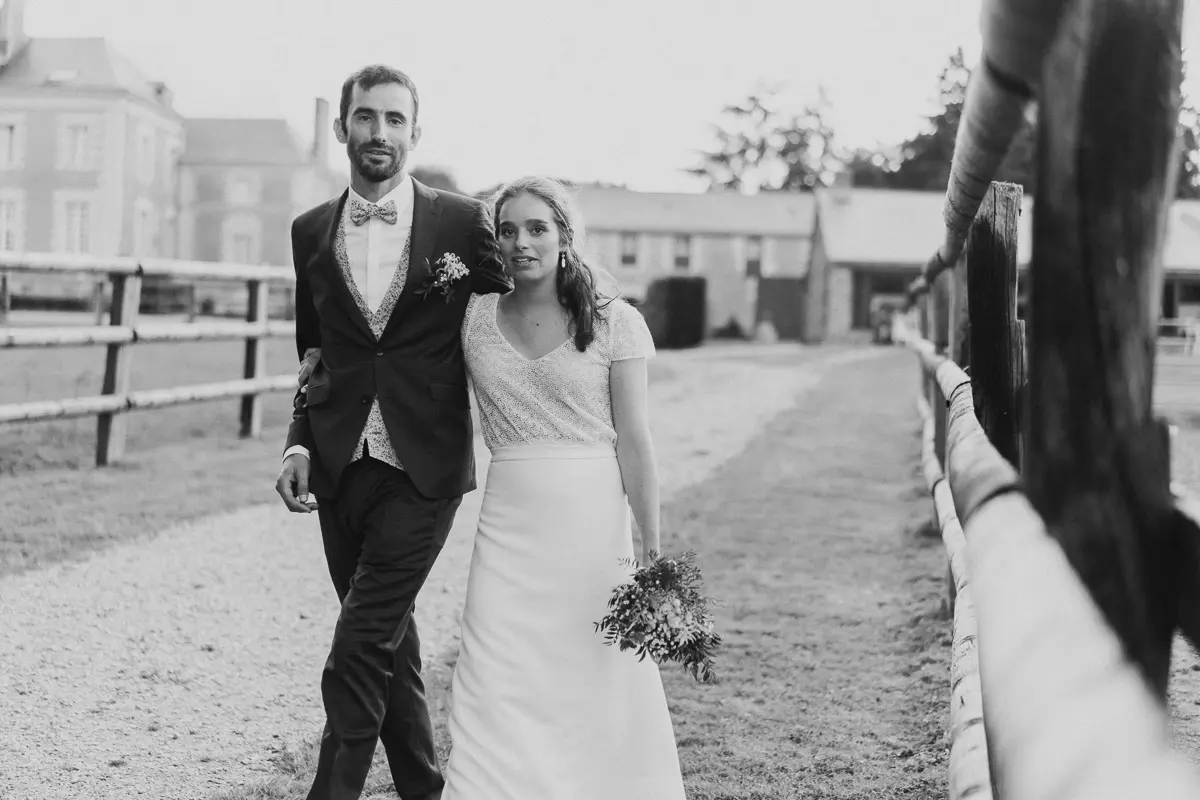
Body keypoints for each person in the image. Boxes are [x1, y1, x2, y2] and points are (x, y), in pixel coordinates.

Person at [274, 64, 511, 800]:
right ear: (342, 126)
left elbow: (513, 316)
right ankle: (422, 790)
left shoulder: (462, 222)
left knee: (359, 642)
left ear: (416, 131)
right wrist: (298, 441)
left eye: (395, 119)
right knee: (390, 643)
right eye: (366, 117)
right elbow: (315, 354)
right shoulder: (309, 230)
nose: (380, 132)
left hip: (425, 467)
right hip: (339, 466)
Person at [442, 176, 686, 798]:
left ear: (565, 236)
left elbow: (635, 442)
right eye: (508, 230)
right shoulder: (471, 318)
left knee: (594, 663)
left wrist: (652, 546)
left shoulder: (614, 322)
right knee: (494, 663)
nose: (521, 242)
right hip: (508, 520)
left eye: (536, 228)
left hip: (591, 522)